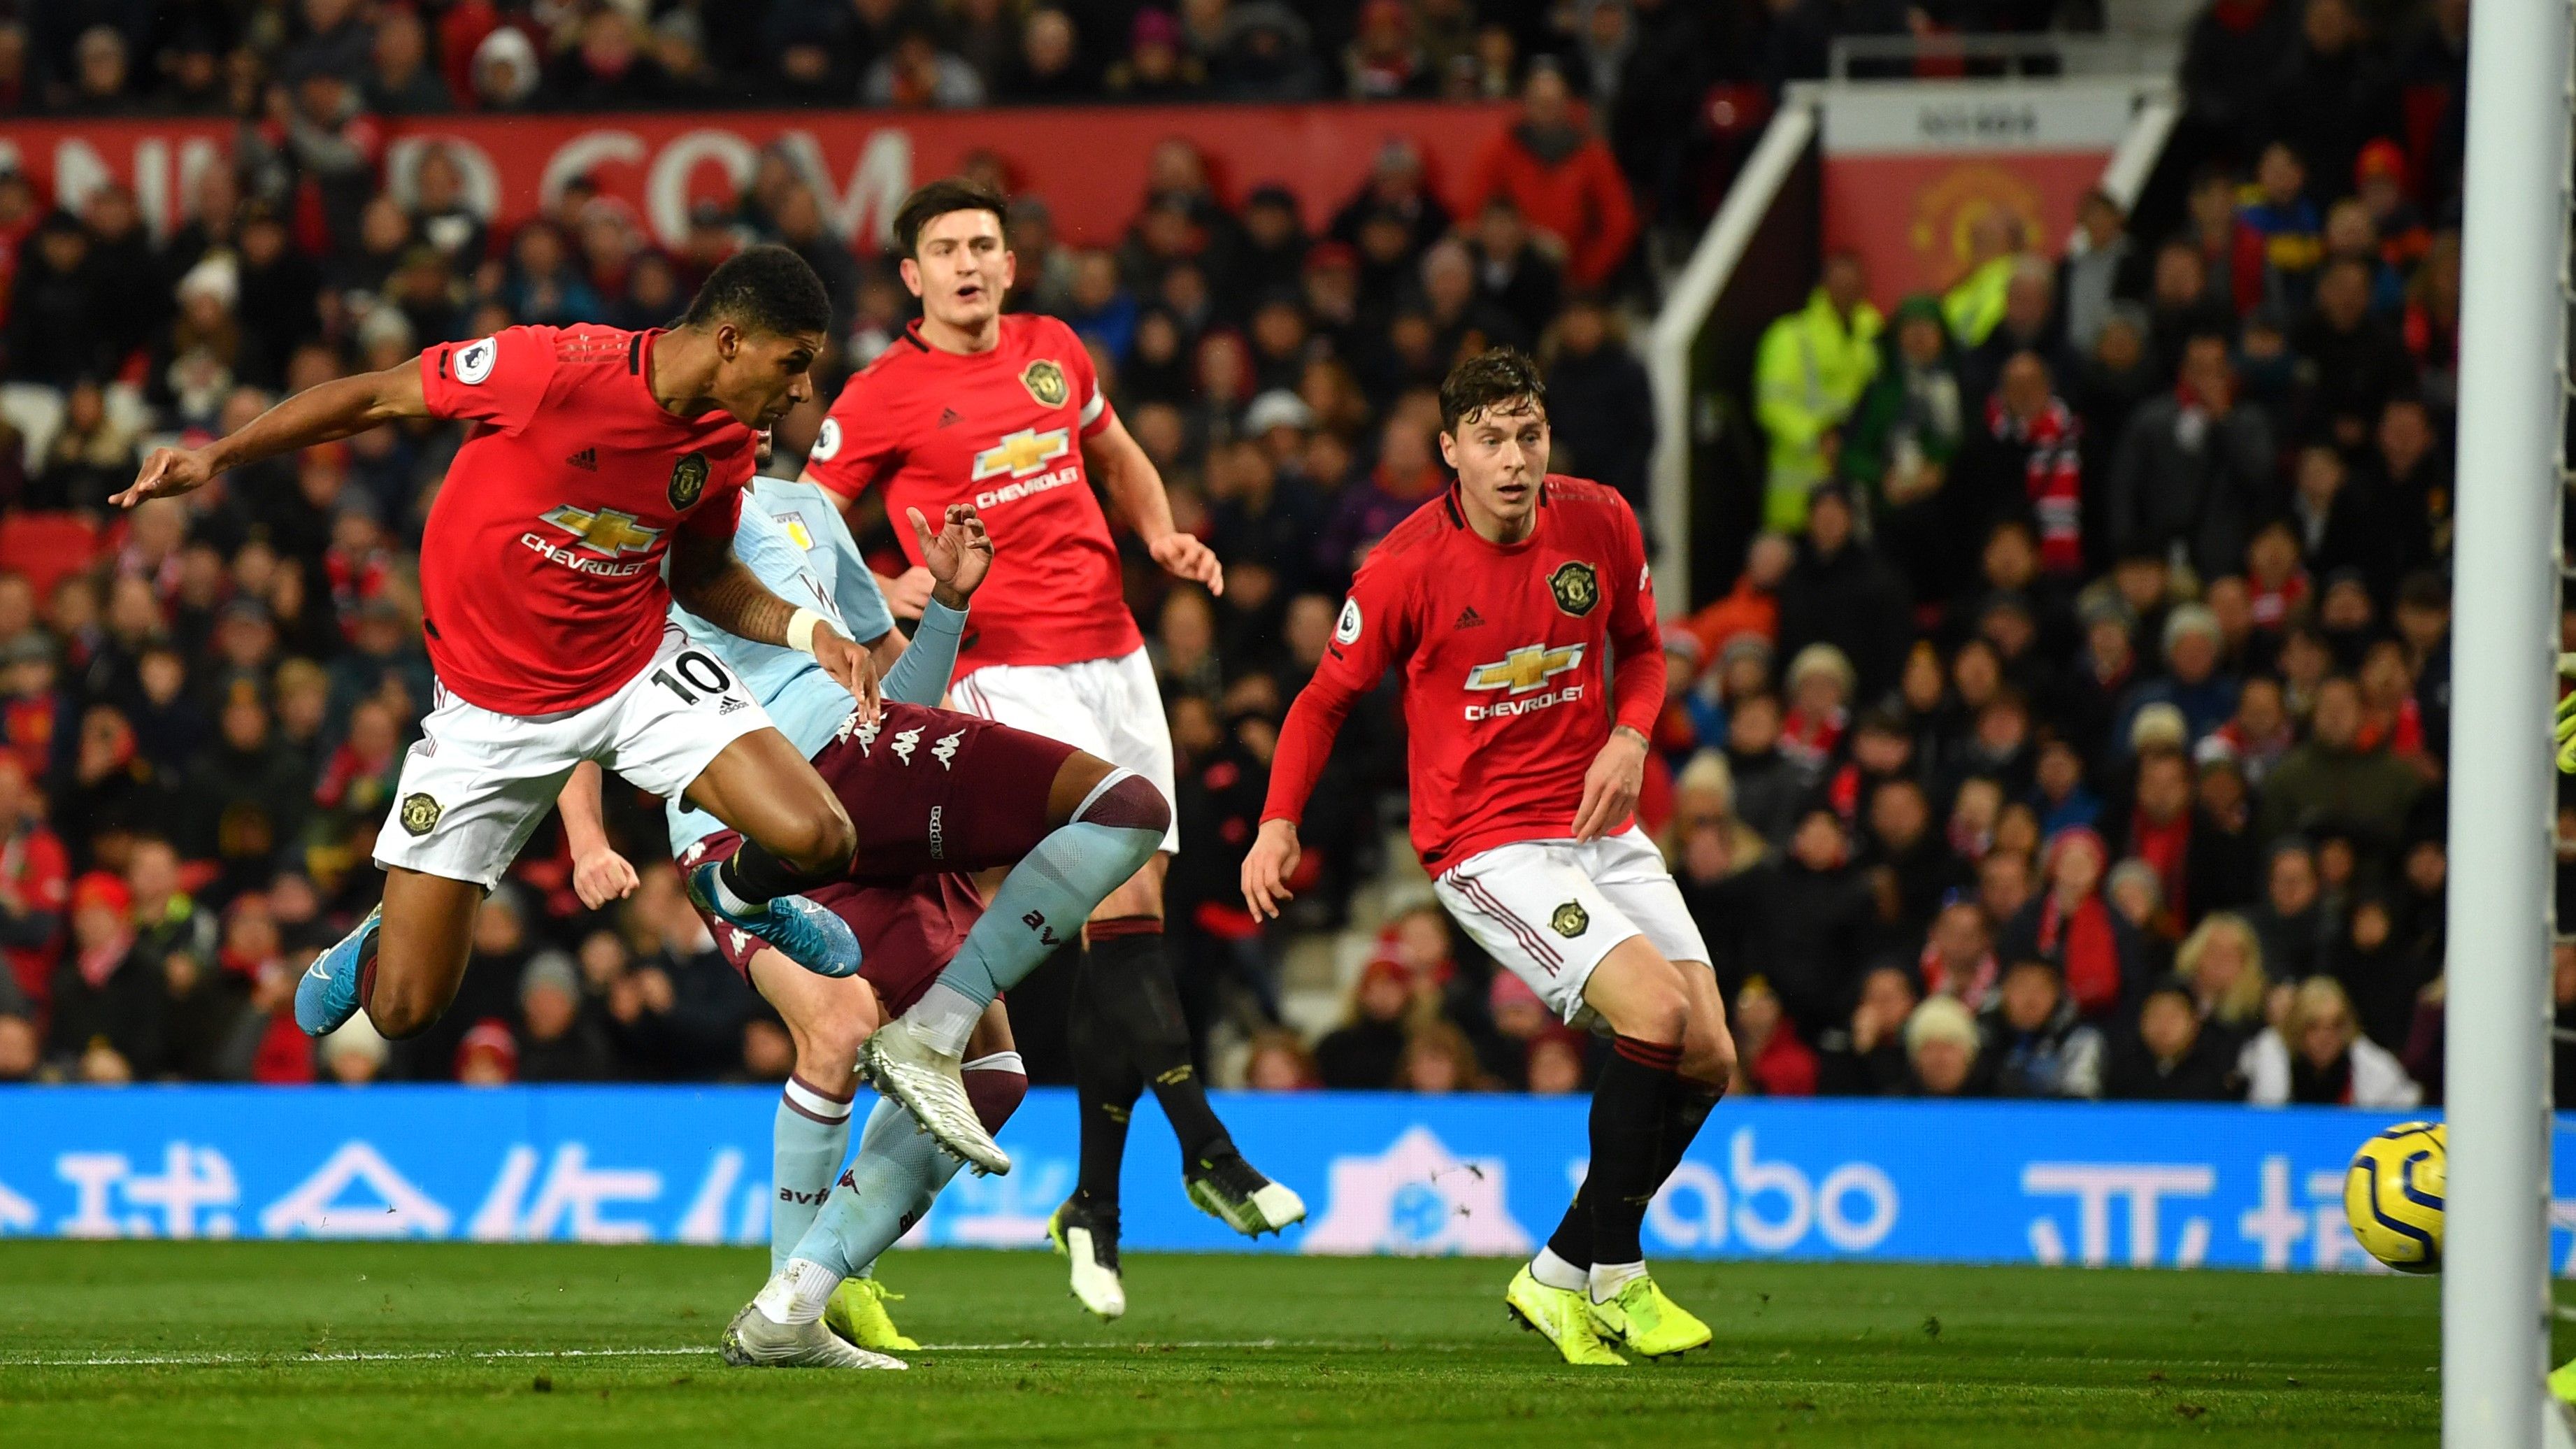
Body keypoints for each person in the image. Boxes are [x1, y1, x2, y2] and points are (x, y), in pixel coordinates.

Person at [113, 246, 884, 1059]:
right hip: (490, 706)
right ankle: (390, 926)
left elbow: (706, 576)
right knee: (403, 1009)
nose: (802, 390)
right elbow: (375, 396)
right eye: (793, 363)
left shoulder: (726, 440)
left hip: (636, 668)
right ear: (730, 341)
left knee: (822, 838)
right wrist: (215, 455)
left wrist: (810, 630)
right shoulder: (549, 367)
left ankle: (737, 895)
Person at [799, 179, 1301, 1321]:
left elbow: (1113, 450)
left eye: (984, 244)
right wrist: (884, 589)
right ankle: (1209, 1151)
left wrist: (1160, 528)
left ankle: (1093, 1205)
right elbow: (800, 522)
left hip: (1115, 655)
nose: (969, 262)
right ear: (913, 277)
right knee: (1114, 891)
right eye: (945, 249)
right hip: (1003, 663)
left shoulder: (1055, 351)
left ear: (1011, 266)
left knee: (1130, 923)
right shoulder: (880, 396)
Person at [557, 476, 1173, 1366]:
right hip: (741, 817)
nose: (775, 406)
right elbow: (568, 710)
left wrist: (948, 608)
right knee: (840, 1024)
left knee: (994, 1077)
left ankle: (791, 1304)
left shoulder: (803, 512)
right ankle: (798, 1296)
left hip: (861, 773)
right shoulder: (629, 518)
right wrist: (585, 836)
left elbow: (878, 696)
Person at [1245, 348, 1735, 1368]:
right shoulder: (1403, 568)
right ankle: (1618, 1277)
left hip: (1600, 823)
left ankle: (1555, 1271)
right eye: (1490, 440)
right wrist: (1277, 821)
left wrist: (1632, 737)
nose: (1513, 460)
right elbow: (1323, 700)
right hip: (1489, 846)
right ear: (1449, 452)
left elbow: (1644, 649)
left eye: (1529, 435)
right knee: (1657, 1015)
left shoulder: (1600, 519)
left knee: (1713, 1055)